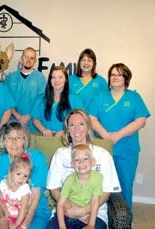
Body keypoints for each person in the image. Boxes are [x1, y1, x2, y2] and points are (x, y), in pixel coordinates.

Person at [88, 63, 150, 214]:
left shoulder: (134, 97)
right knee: (100, 185)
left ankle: (126, 219)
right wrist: (106, 136)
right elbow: (92, 118)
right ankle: (102, 216)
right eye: (112, 74)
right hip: (103, 149)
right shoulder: (101, 96)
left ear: (126, 78)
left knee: (125, 185)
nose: (115, 77)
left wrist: (117, 135)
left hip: (126, 151)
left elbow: (141, 121)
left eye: (119, 74)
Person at [46, 109, 121, 229]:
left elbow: (106, 191)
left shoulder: (103, 155)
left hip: (94, 213)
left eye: (81, 124)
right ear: (67, 130)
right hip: (65, 212)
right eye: (72, 125)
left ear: (88, 127)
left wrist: (84, 210)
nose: (77, 129)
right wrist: (70, 208)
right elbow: (53, 188)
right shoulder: (60, 155)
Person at [0, 121, 51, 229]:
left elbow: (35, 196)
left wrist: (24, 225)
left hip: (35, 212)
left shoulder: (37, 158)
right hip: (7, 211)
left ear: (24, 140)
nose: (14, 143)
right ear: (3, 141)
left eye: (18, 138)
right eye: (9, 138)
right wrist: (1, 217)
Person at [50, 144, 103, 229]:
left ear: (92, 162)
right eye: (77, 160)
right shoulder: (70, 180)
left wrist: (91, 224)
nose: (81, 162)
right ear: (72, 164)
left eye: (85, 159)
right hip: (67, 214)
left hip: (87, 216)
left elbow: (95, 201)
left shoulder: (98, 178)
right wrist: (62, 226)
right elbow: (60, 204)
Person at [31, 66, 85, 137]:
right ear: (50, 80)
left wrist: (66, 131)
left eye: (60, 77)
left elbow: (82, 120)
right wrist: (43, 130)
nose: (57, 80)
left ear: (66, 80)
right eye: (53, 77)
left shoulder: (75, 99)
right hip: (46, 140)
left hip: (67, 140)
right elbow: (35, 119)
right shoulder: (41, 100)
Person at [4, 47, 47, 133]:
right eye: (26, 57)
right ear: (21, 58)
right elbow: (7, 100)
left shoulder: (40, 78)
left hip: (33, 125)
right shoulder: (10, 78)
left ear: (35, 61)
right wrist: (18, 117)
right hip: (14, 122)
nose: (28, 60)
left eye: (32, 58)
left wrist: (28, 116)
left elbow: (41, 101)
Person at [0, 153, 32, 229]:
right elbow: (0, 200)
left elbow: (23, 208)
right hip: (7, 214)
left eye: (25, 176)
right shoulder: (3, 184)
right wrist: (5, 212)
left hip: (21, 217)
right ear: (11, 172)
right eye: (18, 174)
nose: (21, 178)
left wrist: (16, 224)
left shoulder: (25, 188)